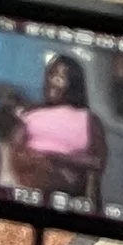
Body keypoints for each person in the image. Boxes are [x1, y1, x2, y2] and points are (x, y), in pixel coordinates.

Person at [8, 52, 105, 211]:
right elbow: (14, 152)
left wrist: (57, 159)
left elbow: (97, 163)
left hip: (70, 203)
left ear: (74, 83)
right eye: (51, 74)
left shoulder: (89, 120)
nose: (53, 81)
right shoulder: (30, 114)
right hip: (29, 196)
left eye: (61, 77)